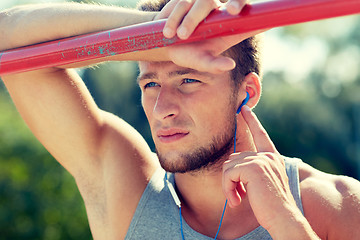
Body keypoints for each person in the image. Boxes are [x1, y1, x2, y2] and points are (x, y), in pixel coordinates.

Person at [0, 0, 359, 239]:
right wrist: (157, 36)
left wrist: (284, 220)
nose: (161, 109)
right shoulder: (126, 190)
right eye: (151, 83)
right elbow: (7, 36)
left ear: (246, 92)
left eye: (188, 79)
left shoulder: (333, 203)